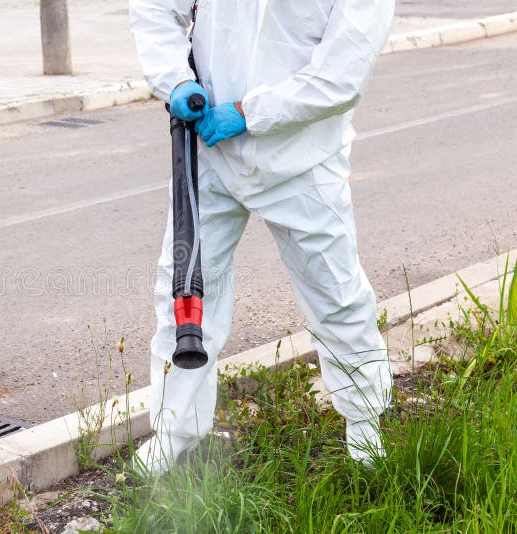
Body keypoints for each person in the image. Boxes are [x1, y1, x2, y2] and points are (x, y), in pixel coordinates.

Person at [129, 0, 394, 473]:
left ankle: (364, 422)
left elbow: (341, 75)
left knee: (335, 293)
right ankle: (176, 430)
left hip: (302, 157)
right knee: (187, 293)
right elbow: (154, 7)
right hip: (212, 149)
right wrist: (175, 79)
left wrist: (249, 112)